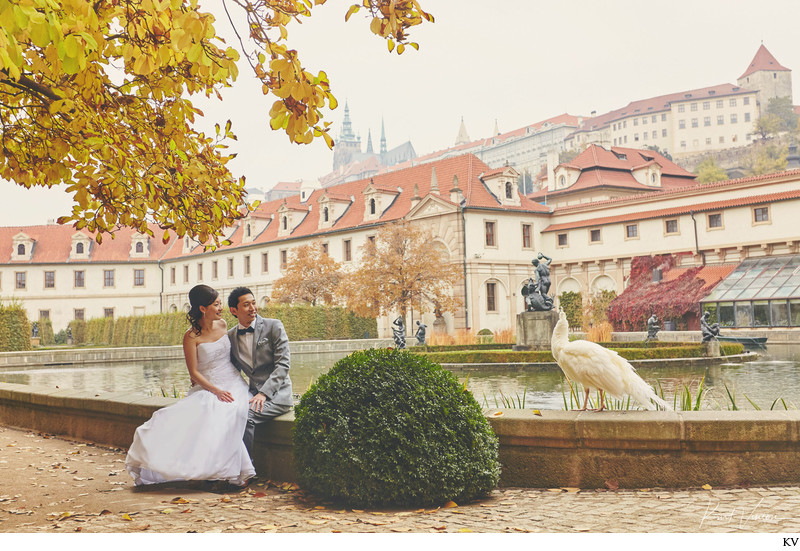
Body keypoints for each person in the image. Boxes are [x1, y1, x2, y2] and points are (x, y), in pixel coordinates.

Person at [126, 285, 255, 487]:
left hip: (233, 383)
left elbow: (233, 356)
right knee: (206, 411)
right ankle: (219, 473)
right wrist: (216, 391)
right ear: (203, 308)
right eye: (216, 304)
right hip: (210, 386)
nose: (220, 308)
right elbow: (194, 372)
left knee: (230, 412)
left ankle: (229, 472)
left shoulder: (223, 325)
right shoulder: (191, 337)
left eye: (220, 303)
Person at [227, 287, 293, 456]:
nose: (253, 308)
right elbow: (231, 370)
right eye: (246, 305)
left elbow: (283, 365)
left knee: (245, 417)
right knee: (224, 414)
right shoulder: (231, 336)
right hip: (252, 394)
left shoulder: (274, 326)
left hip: (277, 394)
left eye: (254, 303)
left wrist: (264, 393)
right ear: (234, 310)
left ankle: (245, 469)